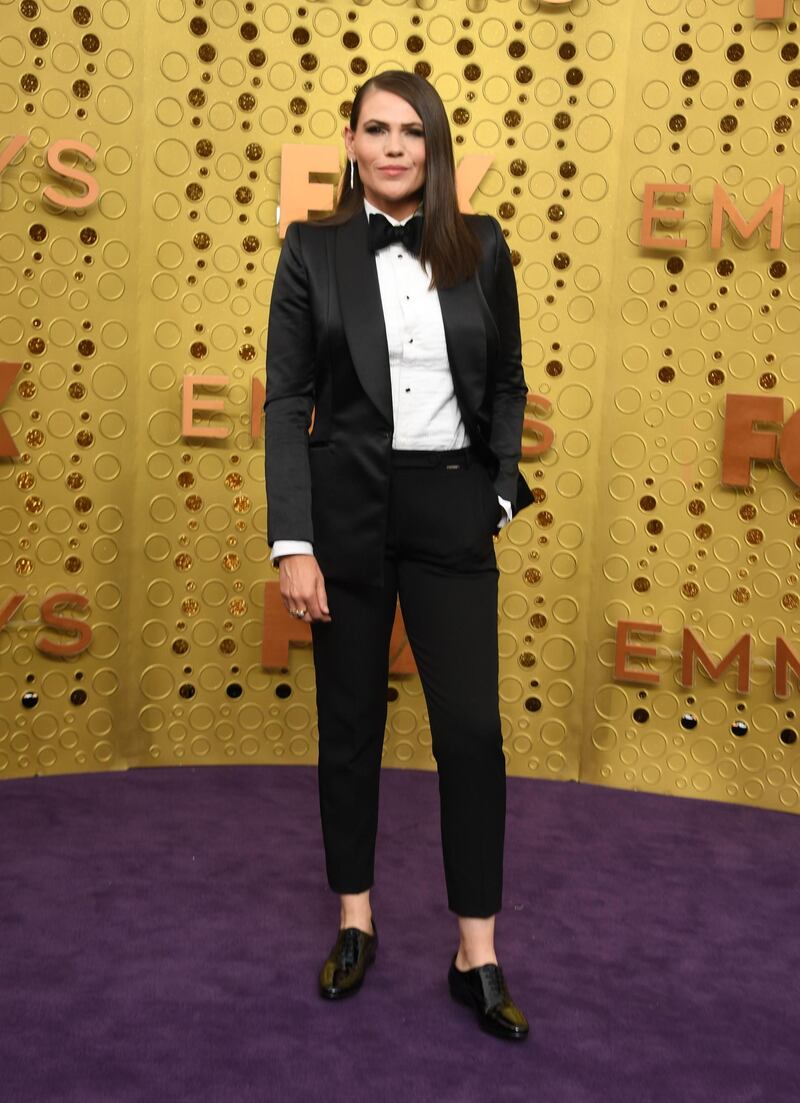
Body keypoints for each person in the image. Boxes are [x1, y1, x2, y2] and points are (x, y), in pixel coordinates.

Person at [264, 70, 534, 1041]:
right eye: (374, 129)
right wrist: (292, 542)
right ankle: (355, 918)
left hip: (449, 508)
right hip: (343, 519)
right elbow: (283, 400)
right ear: (349, 142)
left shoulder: (481, 243)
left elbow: (505, 379)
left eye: (409, 132)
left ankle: (476, 950)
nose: (391, 147)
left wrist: (497, 486)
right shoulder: (312, 247)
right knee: (350, 729)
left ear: (433, 147)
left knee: (469, 733)